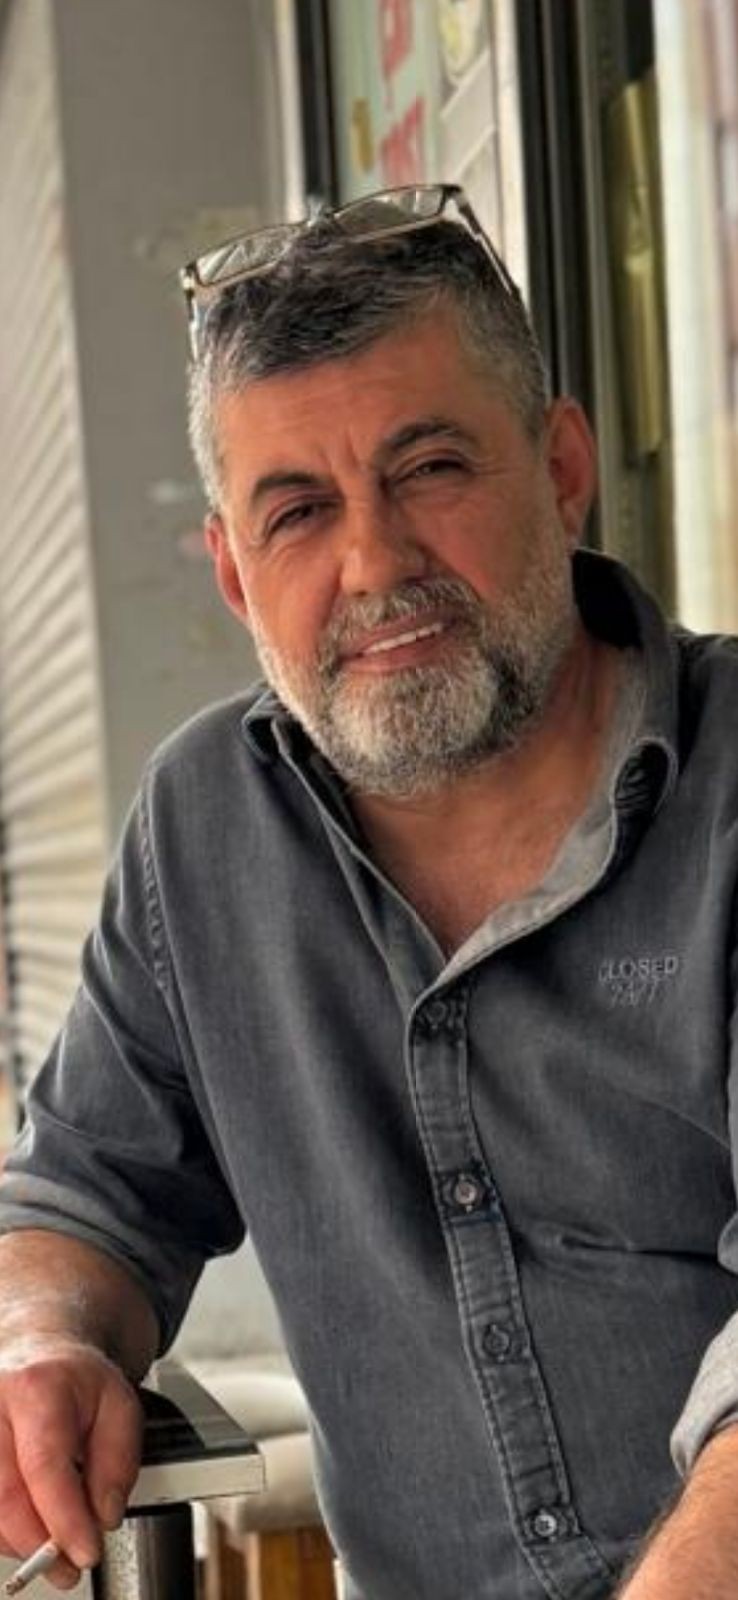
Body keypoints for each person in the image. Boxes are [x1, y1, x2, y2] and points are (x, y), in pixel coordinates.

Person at [0, 183, 736, 1600]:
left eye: (430, 468)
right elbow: (88, 1191)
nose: (375, 564)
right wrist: (44, 1337)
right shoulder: (205, 829)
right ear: (232, 572)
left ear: (561, 467)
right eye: (297, 511)